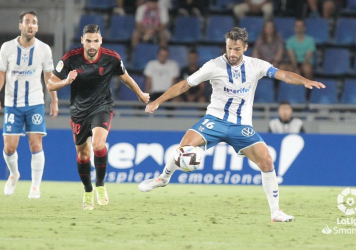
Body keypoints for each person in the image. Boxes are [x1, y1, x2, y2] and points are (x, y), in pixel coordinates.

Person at [139, 27, 325, 222]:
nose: (232, 53)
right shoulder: (213, 66)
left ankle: (275, 212)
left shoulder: (256, 65)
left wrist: (304, 80)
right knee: (183, 148)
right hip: (215, 120)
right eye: (229, 48)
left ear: (245, 47)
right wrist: (157, 101)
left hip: (241, 126)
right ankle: (163, 178)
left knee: (267, 160)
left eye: (237, 49)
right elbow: (185, 85)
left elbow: (284, 75)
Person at [47, 24, 149, 210]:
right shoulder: (71, 58)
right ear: (82, 41)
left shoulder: (112, 58)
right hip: (79, 111)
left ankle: (100, 186)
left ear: (100, 40)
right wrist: (66, 81)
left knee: (98, 144)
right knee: (83, 153)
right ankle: (87, 191)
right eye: (88, 41)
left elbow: (125, 77)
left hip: (102, 106)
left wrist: (140, 94)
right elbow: (50, 84)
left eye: (95, 41)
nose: (92, 45)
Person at [0, 11, 58, 199]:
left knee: (35, 144)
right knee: (9, 148)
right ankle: (14, 174)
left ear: (37, 27)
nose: (31, 25)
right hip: (12, 103)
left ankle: (35, 186)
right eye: (27, 22)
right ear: (20, 26)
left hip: (35, 103)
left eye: (34, 22)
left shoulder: (44, 49)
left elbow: (49, 77)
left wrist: (54, 100)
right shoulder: (7, 48)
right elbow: (1, 74)